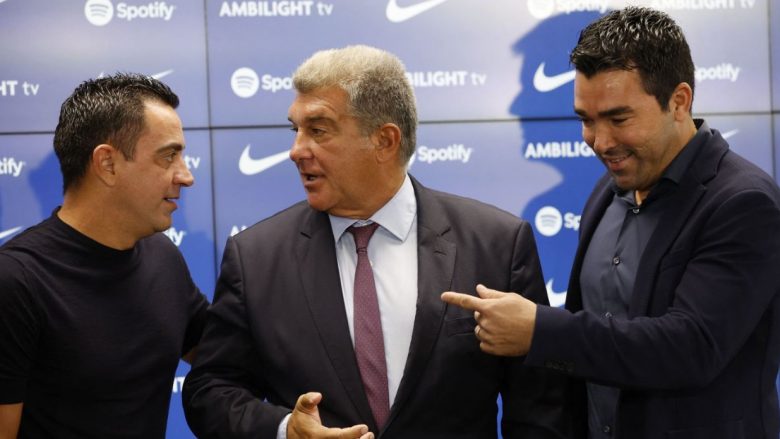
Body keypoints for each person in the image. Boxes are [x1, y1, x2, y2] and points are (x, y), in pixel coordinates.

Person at [183, 45, 572, 438]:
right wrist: (286, 430)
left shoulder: (496, 244)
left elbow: (540, 408)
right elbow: (211, 389)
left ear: (385, 141)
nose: (296, 150)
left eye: (318, 130)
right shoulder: (256, 257)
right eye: (295, 130)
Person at [442, 6, 780, 439]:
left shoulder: (743, 202)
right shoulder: (607, 192)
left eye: (619, 119)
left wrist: (540, 331)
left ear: (679, 101)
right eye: (586, 120)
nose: (600, 142)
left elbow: (691, 347)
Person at [0, 73, 209, 439]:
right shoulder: (15, 281)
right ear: (107, 164)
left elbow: (224, 354)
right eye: (168, 156)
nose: (186, 176)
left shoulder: (164, 257)